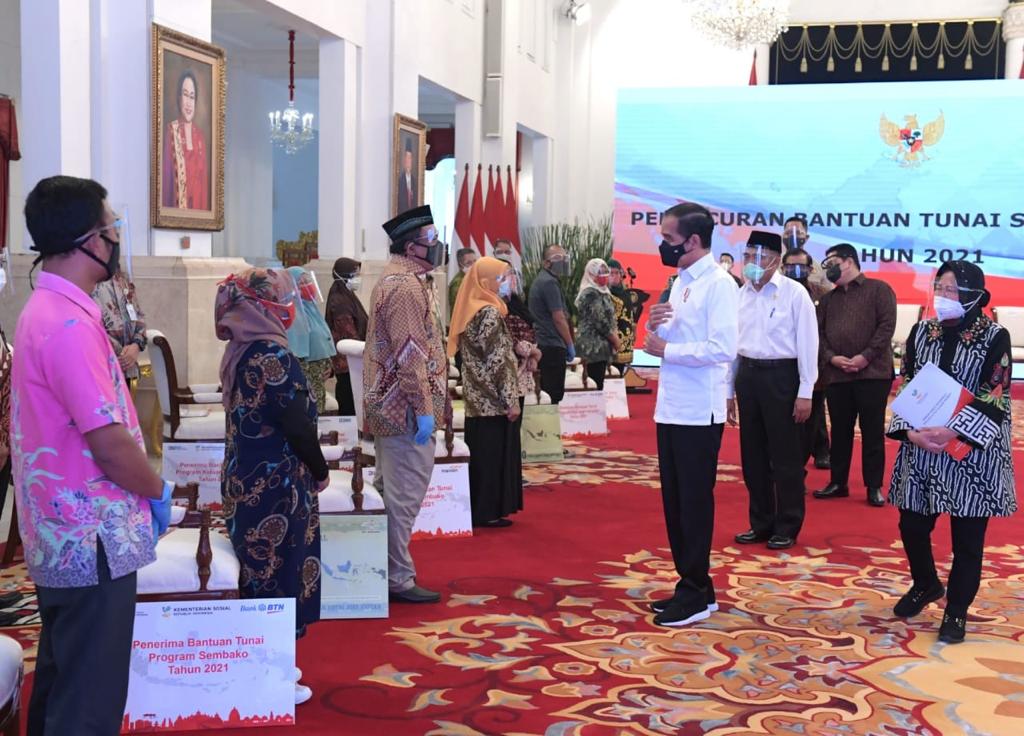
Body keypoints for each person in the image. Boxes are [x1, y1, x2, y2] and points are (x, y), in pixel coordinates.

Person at [13, 176, 173, 733]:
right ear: (87, 239)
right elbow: (107, 443)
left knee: (63, 680)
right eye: (112, 227)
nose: (117, 238)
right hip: (91, 537)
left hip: (64, 532)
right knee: (89, 699)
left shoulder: (49, 308)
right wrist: (158, 490)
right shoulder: (67, 325)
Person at [887, 261, 1015, 644]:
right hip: (923, 446)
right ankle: (926, 583)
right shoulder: (921, 331)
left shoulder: (994, 336)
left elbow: (996, 394)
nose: (943, 297)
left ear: (974, 295)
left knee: (968, 540)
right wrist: (910, 432)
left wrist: (953, 431)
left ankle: (956, 610)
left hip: (971, 453)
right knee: (912, 524)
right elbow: (907, 383)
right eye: (939, 288)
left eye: (952, 290)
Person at [216, 267, 327, 705]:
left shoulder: (243, 349)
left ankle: (267, 665)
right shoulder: (272, 356)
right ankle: (272, 673)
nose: (288, 306)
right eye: (280, 298)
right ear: (261, 306)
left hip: (246, 478)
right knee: (278, 574)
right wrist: (320, 470)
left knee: (259, 572)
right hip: (276, 486)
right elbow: (297, 425)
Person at [643, 202, 738, 627]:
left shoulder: (719, 285)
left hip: (699, 410)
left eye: (668, 238)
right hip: (672, 405)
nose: (662, 244)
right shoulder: (680, 281)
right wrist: (655, 326)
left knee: (694, 503)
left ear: (693, 240)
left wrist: (669, 349)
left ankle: (695, 591)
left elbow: (722, 348)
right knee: (675, 501)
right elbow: (664, 339)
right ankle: (694, 583)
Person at [364, 204, 447, 604]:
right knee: (403, 496)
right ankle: (397, 577)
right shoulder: (406, 287)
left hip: (396, 406)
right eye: (431, 239)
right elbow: (411, 354)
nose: (437, 245)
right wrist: (425, 409)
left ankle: (382, 569)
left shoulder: (403, 280)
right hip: (405, 409)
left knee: (390, 491)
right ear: (412, 247)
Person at [729, 231, 818, 551]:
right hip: (748, 376)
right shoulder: (740, 294)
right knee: (752, 455)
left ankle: (787, 525)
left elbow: (808, 343)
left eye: (760, 257)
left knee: (785, 456)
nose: (752, 263)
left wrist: (806, 391)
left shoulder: (794, 293)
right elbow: (733, 346)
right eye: (748, 256)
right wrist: (728, 390)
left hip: (782, 377)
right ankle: (761, 522)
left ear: (776, 261)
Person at [813, 243, 896, 507]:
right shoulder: (828, 300)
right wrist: (831, 358)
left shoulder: (879, 289)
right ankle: (838, 482)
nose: (828, 269)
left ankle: (874, 486)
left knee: (872, 431)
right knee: (840, 431)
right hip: (837, 375)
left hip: (873, 373)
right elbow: (818, 334)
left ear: (848, 262)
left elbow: (886, 327)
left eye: (832, 263)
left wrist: (865, 357)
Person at [448, 257, 521, 527]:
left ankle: (481, 509)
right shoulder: (489, 312)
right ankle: (488, 511)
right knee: (491, 456)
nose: (506, 283)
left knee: (481, 453)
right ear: (486, 281)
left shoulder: (472, 308)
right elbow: (497, 361)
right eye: (501, 278)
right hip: (493, 398)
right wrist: (510, 400)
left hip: (477, 395)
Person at [782, 247, 831, 470]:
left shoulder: (823, 294)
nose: (795, 270)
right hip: (782, 367)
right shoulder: (774, 291)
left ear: (810, 270)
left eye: (801, 266)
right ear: (783, 268)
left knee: (812, 417)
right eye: (790, 266)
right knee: (782, 420)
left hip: (815, 364)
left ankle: (815, 453)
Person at [285, 266, 336, 413]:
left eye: (307, 281)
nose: (307, 285)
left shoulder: (310, 308)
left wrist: (329, 365)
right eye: (301, 283)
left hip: (320, 373)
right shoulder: (293, 312)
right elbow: (296, 346)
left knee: (318, 409)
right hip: (307, 372)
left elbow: (323, 337)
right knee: (310, 410)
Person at [528, 244, 575, 403]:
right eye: (557, 258)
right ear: (546, 262)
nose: (563, 261)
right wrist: (569, 343)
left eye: (564, 257)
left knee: (549, 392)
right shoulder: (549, 283)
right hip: (551, 343)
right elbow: (558, 318)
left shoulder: (545, 279)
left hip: (545, 342)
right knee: (553, 394)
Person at [325, 257, 368, 416]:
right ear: (345, 275)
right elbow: (348, 333)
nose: (358, 278)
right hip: (348, 362)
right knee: (349, 403)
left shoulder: (346, 296)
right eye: (355, 274)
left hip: (351, 363)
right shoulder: (340, 301)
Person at [92, 270, 147, 388]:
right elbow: (90, 327)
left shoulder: (122, 279)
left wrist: (136, 345)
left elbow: (138, 315)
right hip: (102, 369)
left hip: (128, 368)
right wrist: (121, 354)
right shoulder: (87, 283)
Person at [162, 70, 208, 210]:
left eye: (192, 97)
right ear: (179, 97)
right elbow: (166, 185)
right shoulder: (171, 132)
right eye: (185, 95)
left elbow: (204, 188)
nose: (189, 103)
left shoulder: (200, 138)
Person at [575, 258, 620, 390]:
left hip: (602, 348)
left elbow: (611, 317)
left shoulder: (603, 292)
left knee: (600, 385)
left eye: (606, 272)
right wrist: (615, 339)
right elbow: (600, 321)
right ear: (591, 274)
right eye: (600, 272)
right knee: (594, 386)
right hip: (591, 348)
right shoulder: (589, 293)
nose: (604, 276)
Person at [607, 259, 637, 369]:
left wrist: (634, 333)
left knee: (620, 373)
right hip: (611, 342)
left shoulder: (626, 293)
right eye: (611, 273)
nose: (614, 276)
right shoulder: (604, 294)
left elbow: (631, 315)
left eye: (617, 273)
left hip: (626, 340)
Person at [448, 247, 478, 314]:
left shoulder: (471, 278)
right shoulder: (458, 283)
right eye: (469, 263)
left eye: (475, 261)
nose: (474, 265)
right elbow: (460, 308)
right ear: (460, 265)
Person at [397, 141, 417, 214]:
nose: (408, 161)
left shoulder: (414, 181)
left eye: (410, 158)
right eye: (406, 157)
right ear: (404, 160)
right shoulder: (400, 181)